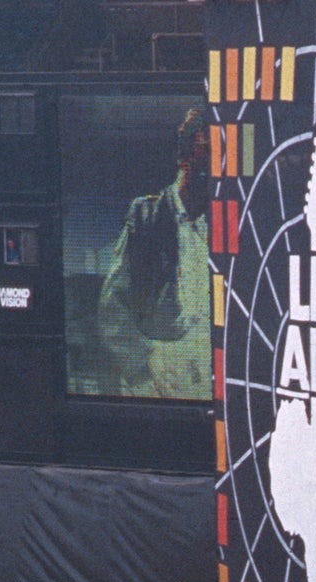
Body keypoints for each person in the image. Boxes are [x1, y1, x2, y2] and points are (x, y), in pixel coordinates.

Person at [95, 108, 212, 398]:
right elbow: (112, 308)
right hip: (158, 382)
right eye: (204, 151)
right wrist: (142, 375)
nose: (211, 164)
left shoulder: (227, 221)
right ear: (183, 159)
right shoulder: (146, 214)